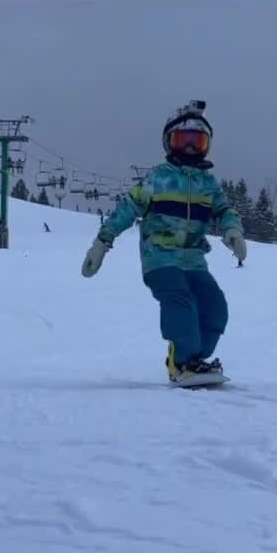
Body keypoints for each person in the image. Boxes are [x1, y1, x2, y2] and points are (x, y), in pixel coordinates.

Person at [80, 100, 245, 384]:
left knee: (215, 307)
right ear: (170, 143)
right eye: (184, 141)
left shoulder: (208, 184)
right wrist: (101, 244)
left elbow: (224, 211)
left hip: (194, 260)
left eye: (198, 141)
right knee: (179, 301)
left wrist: (233, 231)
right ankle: (182, 364)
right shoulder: (158, 179)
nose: (191, 148)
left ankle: (193, 358)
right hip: (160, 258)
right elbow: (126, 209)